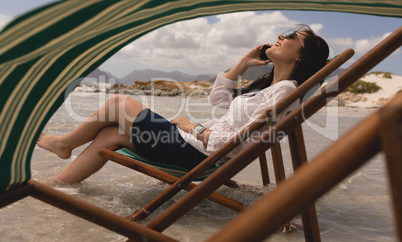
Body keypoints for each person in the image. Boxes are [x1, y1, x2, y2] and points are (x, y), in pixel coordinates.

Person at [37, 24, 329, 184]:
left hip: (198, 154)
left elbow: (237, 141)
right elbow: (217, 99)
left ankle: (64, 144)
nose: (280, 36)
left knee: (118, 102)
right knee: (110, 134)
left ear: (301, 56)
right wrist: (242, 64)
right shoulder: (269, 88)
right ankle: (61, 186)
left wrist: (194, 126)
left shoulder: (284, 94)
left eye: (290, 37)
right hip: (192, 146)